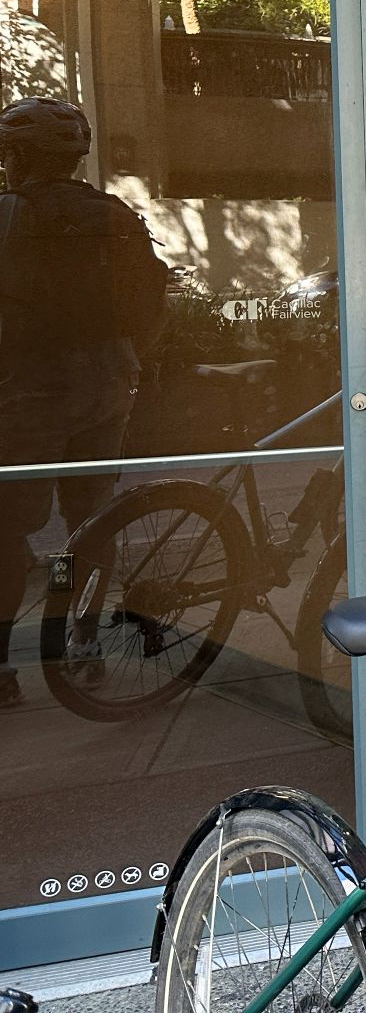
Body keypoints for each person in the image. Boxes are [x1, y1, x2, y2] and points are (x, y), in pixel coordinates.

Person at [0, 98, 167, 707]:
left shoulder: (7, 214)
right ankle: (84, 641)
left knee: (6, 530)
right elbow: (153, 306)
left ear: (15, 156)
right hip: (106, 383)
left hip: (27, 390)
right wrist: (123, 361)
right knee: (91, 522)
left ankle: (2, 670)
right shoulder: (114, 214)